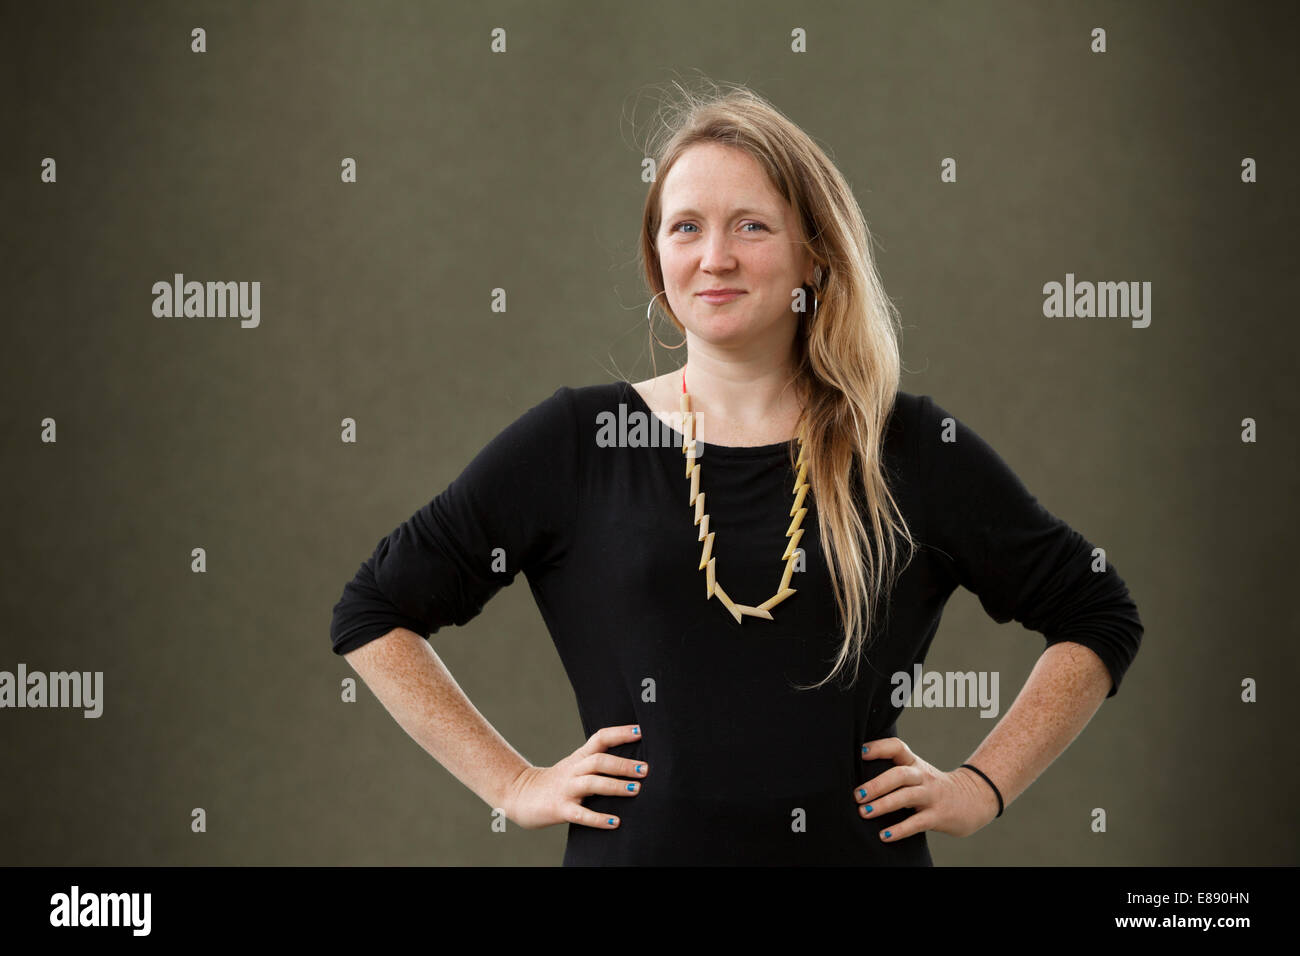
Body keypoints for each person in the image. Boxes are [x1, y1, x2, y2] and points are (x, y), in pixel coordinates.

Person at [329, 81, 1143, 866]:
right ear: (657, 261)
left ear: (813, 256)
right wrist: (511, 783)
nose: (714, 257)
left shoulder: (906, 446)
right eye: (685, 228)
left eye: (751, 226)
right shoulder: (579, 441)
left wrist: (980, 787)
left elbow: (1096, 609)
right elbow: (375, 611)